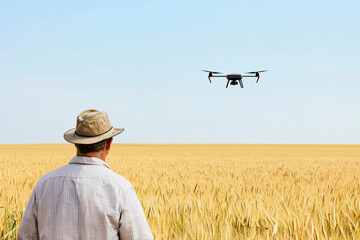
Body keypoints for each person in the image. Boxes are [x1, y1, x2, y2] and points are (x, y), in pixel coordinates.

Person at [18, 109, 153, 240]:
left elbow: (25, 237)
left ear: (76, 143)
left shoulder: (44, 185)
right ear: (109, 144)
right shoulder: (120, 189)